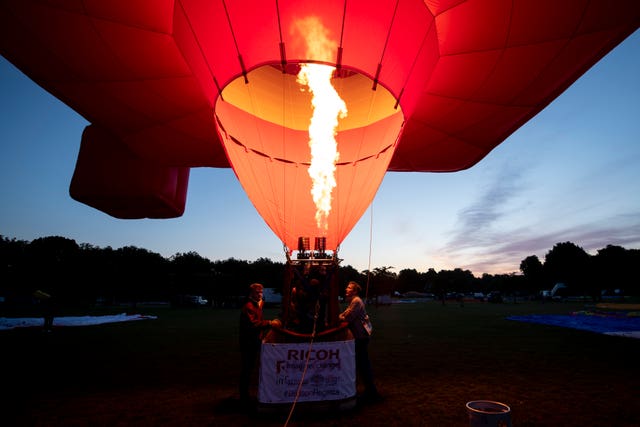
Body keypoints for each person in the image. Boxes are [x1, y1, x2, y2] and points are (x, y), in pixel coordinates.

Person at [339, 281, 381, 403]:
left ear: (355, 291)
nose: (346, 289)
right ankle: (368, 390)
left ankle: (371, 392)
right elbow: (345, 314)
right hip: (360, 337)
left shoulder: (356, 301)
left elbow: (347, 317)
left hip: (361, 337)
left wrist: (338, 317)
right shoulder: (353, 302)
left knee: (363, 364)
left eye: (349, 288)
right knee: (361, 364)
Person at [238, 282, 281, 404]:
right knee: (247, 368)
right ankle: (244, 396)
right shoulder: (249, 306)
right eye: (257, 292)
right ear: (251, 293)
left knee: (251, 367)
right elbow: (254, 324)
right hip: (248, 342)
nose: (260, 294)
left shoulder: (256, 304)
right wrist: (270, 323)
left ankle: (246, 394)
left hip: (254, 340)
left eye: (261, 292)